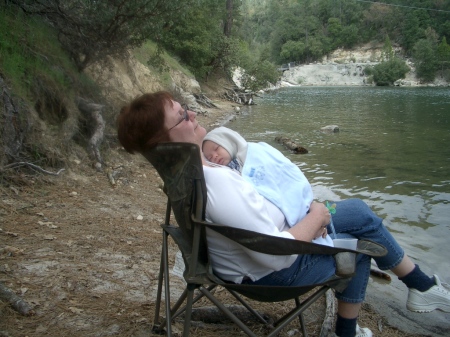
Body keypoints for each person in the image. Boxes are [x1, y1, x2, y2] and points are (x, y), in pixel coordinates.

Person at [117, 91, 450, 337]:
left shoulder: (190, 174)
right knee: (358, 250)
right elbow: (275, 250)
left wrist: (305, 211)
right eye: (181, 116)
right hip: (277, 273)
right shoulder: (215, 185)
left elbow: (249, 218)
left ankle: (419, 285)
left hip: (281, 233)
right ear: (165, 140)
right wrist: (316, 218)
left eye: (186, 108)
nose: (192, 115)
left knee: (358, 211)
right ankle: (349, 331)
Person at [202, 126, 333, 246]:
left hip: (307, 208)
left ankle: (326, 222)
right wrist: (313, 220)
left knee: (338, 210)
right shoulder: (228, 176)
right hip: (291, 232)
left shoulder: (256, 152)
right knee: (348, 216)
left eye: (216, 149)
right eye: (209, 157)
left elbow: (287, 174)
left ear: (228, 141)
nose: (214, 156)